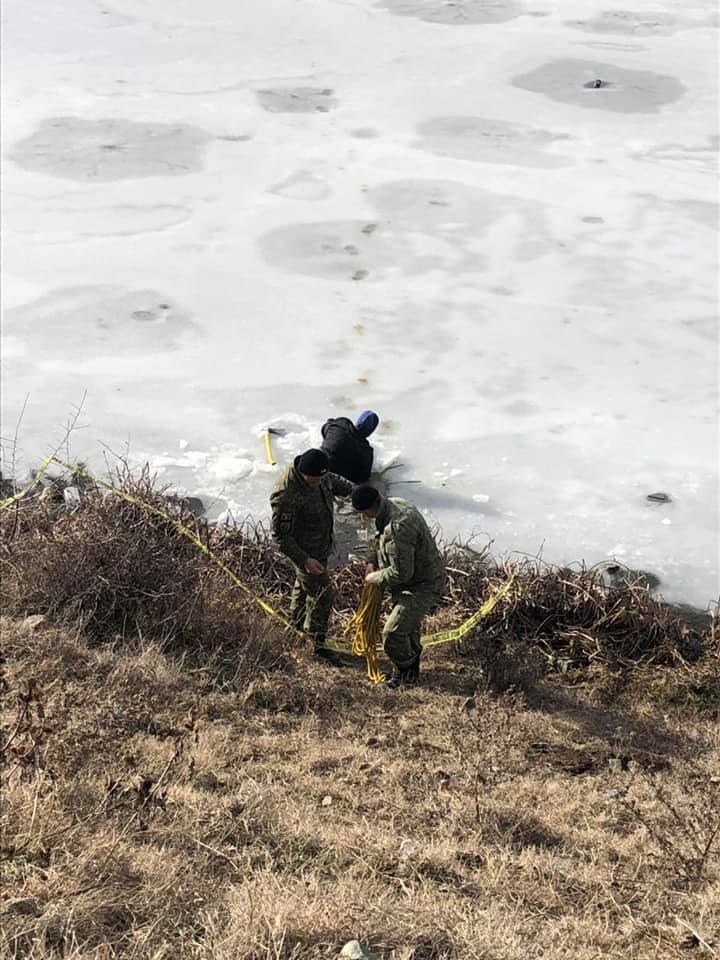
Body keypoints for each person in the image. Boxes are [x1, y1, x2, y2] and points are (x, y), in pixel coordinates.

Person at [351, 484, 445, 688]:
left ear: (367, 511)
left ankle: (406, 672)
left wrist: (373, 578)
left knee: (393, 633)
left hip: (423, 585)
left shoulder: (397, 528)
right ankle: (412, 667)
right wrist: (372, 560)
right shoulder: (393, 505)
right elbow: (380, 539)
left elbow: (401, 573)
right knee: (407, 629)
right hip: (411, 581)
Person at [270, 448, 353, 660]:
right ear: (303, 473)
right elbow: (280, 537)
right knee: (323, 596)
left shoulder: (318, 474)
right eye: (314, 479)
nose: (319, 482)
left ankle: (294, 627)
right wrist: (305, 560)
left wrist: (357, 493)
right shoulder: (286, 495)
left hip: (321, 547)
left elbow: (333, 481)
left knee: (304, 588)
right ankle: (317, 645)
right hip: (305, 553)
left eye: (321, 478)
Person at [320, 410, 379, 484]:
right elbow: (364, 478)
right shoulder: (367, 452)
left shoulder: (339, 425)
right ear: (371, 431)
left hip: (316, 467)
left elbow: (324, 428)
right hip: (335, 482)